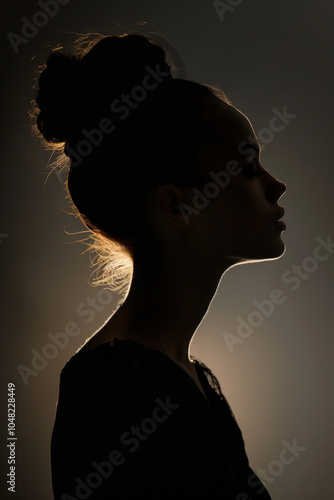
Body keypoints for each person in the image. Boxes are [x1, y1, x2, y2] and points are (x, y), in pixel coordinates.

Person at [33, 31, 286, 499]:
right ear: (175, 205)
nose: (277, 185)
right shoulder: (109, 389)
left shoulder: (189, 378)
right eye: (248, 167)